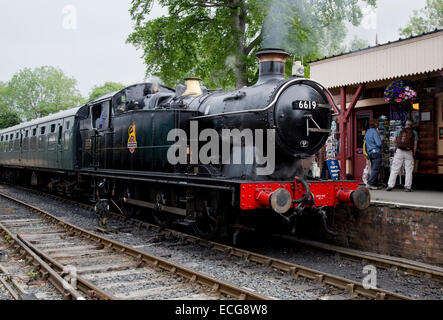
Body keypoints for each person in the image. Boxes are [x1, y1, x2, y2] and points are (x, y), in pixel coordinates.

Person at [386, 120, 418, 192]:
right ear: (411, 125)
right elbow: (415, 144)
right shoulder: (414, 132)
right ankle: (407, 187)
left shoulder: (400, 130)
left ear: (405, 124)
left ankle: (390, 185)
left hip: (399, 151)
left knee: (395, 169)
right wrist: (413, 153)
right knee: (408, 170)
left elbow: (394, 140)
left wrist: (400, 144)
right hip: (409, 152)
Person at [364, 120, 382, 190]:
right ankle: (370, 183)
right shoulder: (375, 132)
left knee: (373, 168)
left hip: (370, 152)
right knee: (376, 169)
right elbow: (379, 143)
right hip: (376, 152)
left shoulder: (367, 132)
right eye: (377, 124)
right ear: (376, 125)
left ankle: (374, 184)